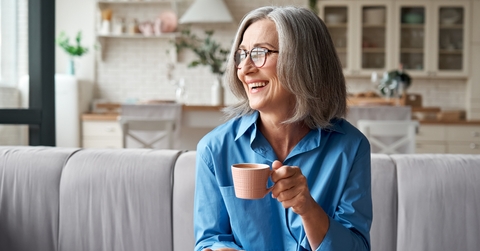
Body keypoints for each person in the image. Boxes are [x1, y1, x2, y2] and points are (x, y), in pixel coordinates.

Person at [194, 6, 372, 251]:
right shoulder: (214, 150)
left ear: (304, 61)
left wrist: (308, 208)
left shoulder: (350, 148)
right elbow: (209, 240)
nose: (244, 69)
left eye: (260, 53)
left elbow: (357, 247)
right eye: (241, 54)